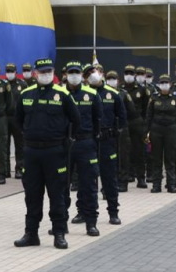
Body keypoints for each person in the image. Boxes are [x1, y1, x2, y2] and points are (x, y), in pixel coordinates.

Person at [14, 58, 79, 250]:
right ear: (35, 73)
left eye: (49, 71)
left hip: (55, 151)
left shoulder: (63, 94)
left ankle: (59, 233)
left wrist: (67, 142)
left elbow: (76, 121)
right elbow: (18, 121)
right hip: (32, 152)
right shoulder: (25, 94)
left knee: (57, 194)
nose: (45, 74)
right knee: (32, 195)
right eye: (42, 72)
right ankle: (31, 233)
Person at [63, 61, 102, 237]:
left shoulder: (92, 94)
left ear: (82, 75)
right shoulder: (59, 94)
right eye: (71, 72)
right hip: (65, 145)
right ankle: (60, 223)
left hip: (86, 143)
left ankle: (91, 222)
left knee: (89, 185)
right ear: (65, 75)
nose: (74, 75)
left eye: (76, 72)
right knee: (61, 186)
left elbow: (98, 121)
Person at [86, 65, 126, 225]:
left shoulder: (113, 94)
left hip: (107, 141)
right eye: (88, 74)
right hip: (89, 141)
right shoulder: (83, 94)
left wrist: (116, 132)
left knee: (109, 178)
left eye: (94, 72)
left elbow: (122, 118)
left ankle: (113, 212)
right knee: (87, 180)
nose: (92, 75)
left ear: (101, 73)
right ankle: (85, 212)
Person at [145, 74, 176, 193]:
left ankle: (171, 184)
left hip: (170, 129)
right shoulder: (154, 97)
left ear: (170, 84)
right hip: (156, 129)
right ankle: (156, 185)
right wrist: (146, 132)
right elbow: (149, 115)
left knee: (170, 158)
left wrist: (175, 126)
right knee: (156, 158)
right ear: (159, 85)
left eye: (166, 82)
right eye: (162, 83)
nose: (164, 85)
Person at [107, 70, 136, 193]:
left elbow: (132, 110)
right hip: (108, 129)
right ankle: (112, 181)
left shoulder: (123, 94)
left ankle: (123, 182)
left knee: (123, 155)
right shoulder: (102, 93)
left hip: (122, 128)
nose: (111, 81)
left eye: (113, 79)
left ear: (118, 81)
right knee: (110, 156)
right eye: (109, 79)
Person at [123, 65, 152, 188]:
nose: (129, 75)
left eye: (131, 73)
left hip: (137, 121)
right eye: (127, 73)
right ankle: (128, 175)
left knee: (139, 150)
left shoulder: (142, 89)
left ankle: (141, 178)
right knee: (125, 150)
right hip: (124, 122)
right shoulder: (121, 89)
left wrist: (145, 125)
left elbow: (147, 108)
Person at [5, 63, 27, 178]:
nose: (9, 73)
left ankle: (19, 168)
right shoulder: (3, 84)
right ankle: (6, 170)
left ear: (15, 72)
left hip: (17, 118)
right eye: (7, 71)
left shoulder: (22, 84)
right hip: (5, 118)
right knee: (5, 145)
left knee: (19, 145)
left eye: (11, 71)